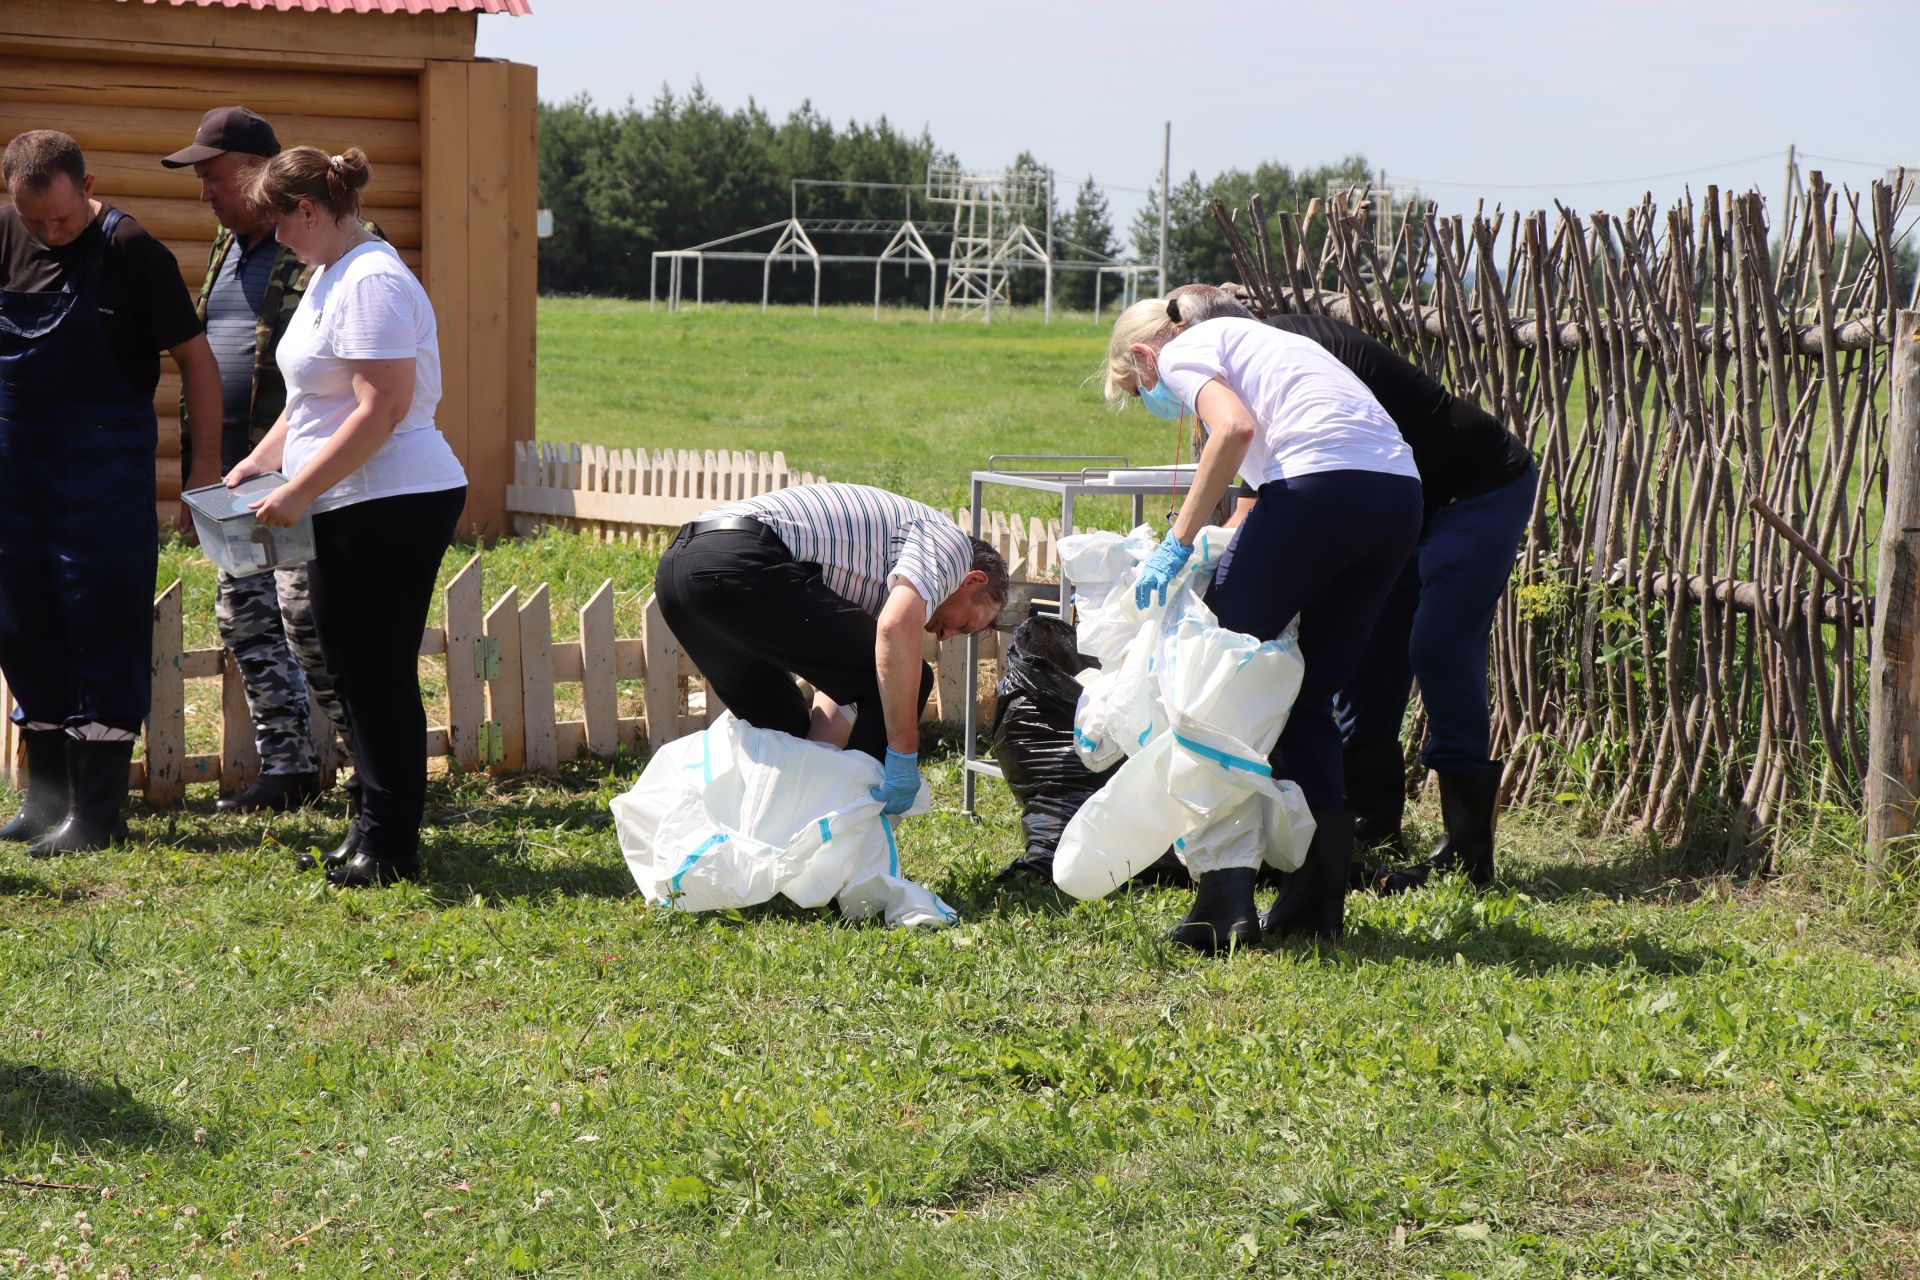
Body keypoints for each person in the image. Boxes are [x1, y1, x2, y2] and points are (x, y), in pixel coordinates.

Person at [1170, 283, 1537, 890]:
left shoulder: (1291, 346)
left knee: (1438, 645)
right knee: (1369, 652)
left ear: (1198, 332)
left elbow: (1314, 450)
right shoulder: (1257, 351)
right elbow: (1262, 482)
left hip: (1475, 489)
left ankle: (1468, 850)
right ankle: (1368, 821)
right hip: (1397, 499)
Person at [1103, 297, 1422, 951]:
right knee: (1309, 695)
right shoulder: (1263, 343)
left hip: (1318, 492)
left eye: (1144, 391)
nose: (1158, 400)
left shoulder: (1189, 348)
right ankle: (1316, 900)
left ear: (1144, 355)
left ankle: (1225, 899)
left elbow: (1234, 431)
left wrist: (1179, 541)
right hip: (1396, 498)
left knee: (1214, 690)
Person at [225, 146, 467, 888]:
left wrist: (296, 491)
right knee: (353, 669)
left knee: (375, 673)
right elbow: (310, 402)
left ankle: (390, 844)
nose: (276, 235)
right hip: (351, 495)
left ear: (310, 210)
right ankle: (369, 827)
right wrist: (263, 461)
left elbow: (383, 408)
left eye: (280, 219)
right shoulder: (329, 272)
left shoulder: (372, 280)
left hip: (391, 498)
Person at [0, 130, 223, 856]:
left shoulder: (132, 250)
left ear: (86, 184)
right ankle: (46, 801)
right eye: (34, 221)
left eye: (62, 220)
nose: (49, 233)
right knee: (23, 625)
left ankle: (96, 815)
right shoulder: (7, 233)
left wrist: (203, 470)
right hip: (15, 474)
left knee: (101, 629)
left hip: (101, 478)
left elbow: (197, 363)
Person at [163, 106, 354, 816]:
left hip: (310, 473)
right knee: (245, 614)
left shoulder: (320, 244)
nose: (204, 193)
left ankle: (370, 768)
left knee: (312, 623)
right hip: (246, 477)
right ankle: (291, 767)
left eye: (213, 177)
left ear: (252, 170)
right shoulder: (229, 247)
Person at [653, 483, 1009, 813]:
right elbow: (894, 631)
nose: (946, 636)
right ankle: (849, 836)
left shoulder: (881, 572)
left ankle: (785, 845)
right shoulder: (951, 546)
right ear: (972, 579)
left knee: (782, 732)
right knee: (909, 678)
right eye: (964, 624)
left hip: (678, 574)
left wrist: (814, 766)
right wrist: (901, 755)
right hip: (736, 560)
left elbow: (838, 685)